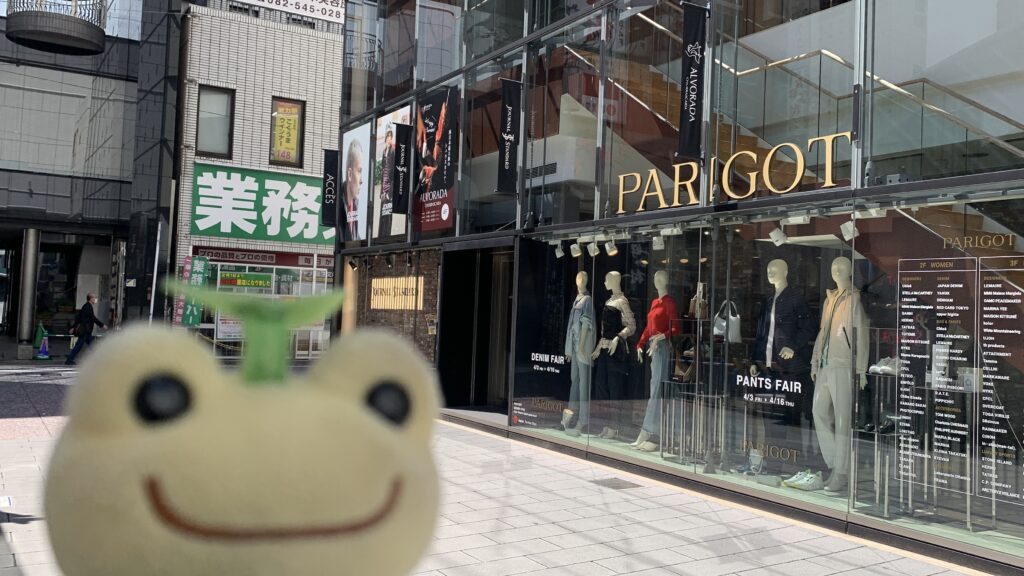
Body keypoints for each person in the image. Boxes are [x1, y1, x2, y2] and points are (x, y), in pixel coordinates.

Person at [66, 293, 105, 365]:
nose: (95, 299)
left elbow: (79, 318)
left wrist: (73, 327)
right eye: (94, 297)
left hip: (87, 331)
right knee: (79, 346)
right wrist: (102, 325)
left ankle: (100, 359)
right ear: (90, 298)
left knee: (92, 345)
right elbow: (93, 318)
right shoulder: (87, 307)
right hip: (85, 331)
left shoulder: (87, 306)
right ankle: (69, 360)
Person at [342, 139, 363, 241]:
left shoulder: (354, 204)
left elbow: (354, 238)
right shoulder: (340, 203)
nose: (362, 181)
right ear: (350, 174)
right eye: (359, 171)